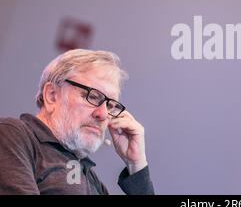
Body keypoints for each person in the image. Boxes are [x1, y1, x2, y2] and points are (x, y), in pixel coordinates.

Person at [0, 49, 155, 194]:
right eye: (93, 97)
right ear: (52, 95)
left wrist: (136, 165)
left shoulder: (90, 177)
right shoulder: (13, 135)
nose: (103, 114)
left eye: (110, 105)